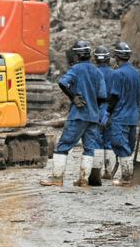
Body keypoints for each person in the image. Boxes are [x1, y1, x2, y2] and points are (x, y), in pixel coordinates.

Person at [41, 40, 106, 187]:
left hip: (78, 115)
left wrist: (73, 97)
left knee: (63, 146)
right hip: (93, 117)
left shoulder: (76, 69)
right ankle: (83, 179)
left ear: (76, 55)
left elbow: (63, 83)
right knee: (89, 148)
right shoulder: (97, 71)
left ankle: (57, 178)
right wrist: (93, 106)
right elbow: (102, 96)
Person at [106, 41, 140, 186]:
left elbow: (114, 96)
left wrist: (108, 112)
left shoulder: (117, 73)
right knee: (128, 145)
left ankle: (126, 178)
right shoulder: (136, 73)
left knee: (120, 145)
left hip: (120, 116)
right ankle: (127, 175)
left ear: (116, 57)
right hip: (133, 117)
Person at [92, 45, 116, 182]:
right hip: (110, 109)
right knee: (108, 141)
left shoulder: (93, 72)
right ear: (108, 59)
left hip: (96, 108)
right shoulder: (114, 73)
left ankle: (97, 172)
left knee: (96, 140)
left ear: (95, 58)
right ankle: (109, 172)